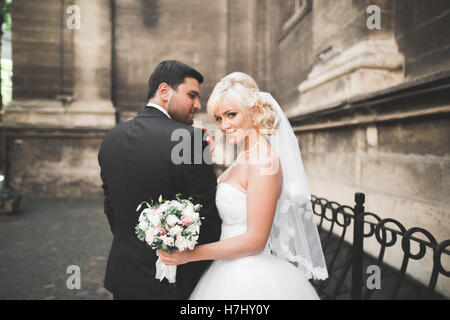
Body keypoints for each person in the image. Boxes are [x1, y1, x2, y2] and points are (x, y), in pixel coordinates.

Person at [159, 72, 328, 299]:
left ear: (255, 112)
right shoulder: (245, 157)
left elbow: (255, 241)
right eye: (219, 118)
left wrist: (191, 254)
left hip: (250, 276)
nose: (224, 125)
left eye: (231, 114)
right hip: (225, 267)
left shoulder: (263, 162)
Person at [98, 60, 221, 300]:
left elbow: (111, 207)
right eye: (192, 95)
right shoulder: (191, 139)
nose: (198, 105)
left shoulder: (112, 137)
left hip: (124, 274)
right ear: (164, 91)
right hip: (175, 281)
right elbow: (206, 215)